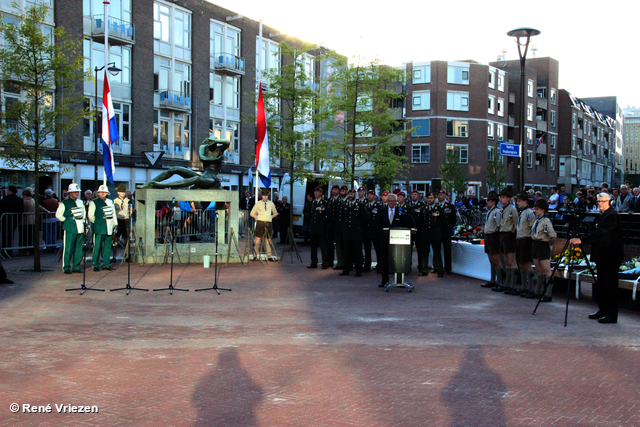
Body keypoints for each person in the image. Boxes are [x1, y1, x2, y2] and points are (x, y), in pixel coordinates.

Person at [570, 193, 624, 323]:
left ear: (609, 202)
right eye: (599, 201)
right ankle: (603, 310)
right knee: (602, 284)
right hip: (603, 255)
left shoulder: (612, 216)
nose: (600, 203)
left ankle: (611, 314)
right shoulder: (604, 215)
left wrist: (582, 240)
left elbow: (601, 234)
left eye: (602, 201)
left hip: (610, 256)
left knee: (610, 285)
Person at [377, 193, 408, 286]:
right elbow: (378, 225)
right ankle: (384, 280)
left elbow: (404, 225)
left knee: (398, 260)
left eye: (394, 201)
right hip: (384, 240)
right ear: (387, 201)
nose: (392, 203)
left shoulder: (400, 211)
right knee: (384, 260)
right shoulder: (382, 211)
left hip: (397, 240)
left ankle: (399, 280)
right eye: (390, 201)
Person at [55, 183, 86, 274]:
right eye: (74, 192)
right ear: (70, 193)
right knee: (68, 248)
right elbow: (58, 215)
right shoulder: (64, 203)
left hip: (80, 226)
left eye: (77, 192)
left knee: (78, 248)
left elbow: (83, 214)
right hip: (70, 228)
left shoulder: (80, 202)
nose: (77, 193)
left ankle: (76, 266)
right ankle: (66, 267)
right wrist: (67, 221)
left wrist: (85, 224)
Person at [531, 199, 557, 302]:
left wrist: (549, 245)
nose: (535, 211)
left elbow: (553, 236)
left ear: (543, 210)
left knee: (547, 271)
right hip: (536, 244)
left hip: (543, 244)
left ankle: (548, 293)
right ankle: (538, 291)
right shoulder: (538, 220)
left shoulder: (546, 221)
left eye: (537, 209)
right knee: (538, 269)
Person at [339, 189, 368, 277]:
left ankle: (358, 270)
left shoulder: (360, 205)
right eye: (349, 194)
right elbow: (343, 218)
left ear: (355, 195)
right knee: (346, 252)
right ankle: (346, 269)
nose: (350, 195)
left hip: (356, 232)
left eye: (352, 194)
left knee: (357, 252)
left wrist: (359, 227)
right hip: (347, 232)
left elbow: (366, 218)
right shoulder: (345, 205)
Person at [495, 190, 518, 294]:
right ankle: (507, 283)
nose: (501, 199)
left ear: (509, 198)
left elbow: (516, 224)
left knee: (511, 260)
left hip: (510, 235)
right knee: (506, 261)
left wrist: (513, 234)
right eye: (500, 197)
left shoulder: (512, 210)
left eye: (503, 197)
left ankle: (513, 285)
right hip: (502, 234)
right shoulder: (502, 210)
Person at [89, 185, 116, 271]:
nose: (103, 193)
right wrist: (97, 222)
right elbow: (90, 216)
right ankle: (95, 264)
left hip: (109, 226)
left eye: (104, 192)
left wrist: (115, 224)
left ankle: (106, 264)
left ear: (107, 193)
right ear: (98, 193)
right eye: (101, 192)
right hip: (99, 226)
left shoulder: (110, 202)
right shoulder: (94, 202)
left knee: (107, 246)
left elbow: (113, 213)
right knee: (97, 246)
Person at [515, 191, 537, 298]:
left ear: (525, 201)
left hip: (526, 240)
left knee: (527, 264)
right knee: (521, 264)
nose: (517, 203)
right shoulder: (521, 212)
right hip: (519, 239)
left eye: (519, 201)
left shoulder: (529, 213)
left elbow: (533, 227)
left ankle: (530, 288)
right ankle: (524, 286)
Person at [418, 192, 445, 278]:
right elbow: (420, 222)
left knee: (437, 253)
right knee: (424, 253)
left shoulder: (439, 209)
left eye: (431, 198)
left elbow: (443, 222)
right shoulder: (424, 209)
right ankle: (424, 270)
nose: (430, 199)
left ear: (435, 199)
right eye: (428, 198)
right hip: (425, 234)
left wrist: (440, 232)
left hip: (435, 234)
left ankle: (439, 270)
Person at [480, 191, 502, 289]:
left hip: (494, 236)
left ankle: (499, 281)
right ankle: (492, 280)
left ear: (494, 201)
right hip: (488, 236)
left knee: (496, 259)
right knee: (491, 260)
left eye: (489, 200)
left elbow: (499, 226)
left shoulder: (497, 212)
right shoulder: (490, 211)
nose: (487, 202)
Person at [250, 188, 278, 261]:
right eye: (263, 195)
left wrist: (269, 217)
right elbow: (252, 213)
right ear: (261, 196)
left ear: (268, 196)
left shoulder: (271, 203)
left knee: (268, 239)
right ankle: (255, 255)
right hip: (260, 222)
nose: (265, 197)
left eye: (266, 195)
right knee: (258, 238)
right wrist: (258, 217)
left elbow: (275, 213)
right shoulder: (258, 203)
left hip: (268, 223)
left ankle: (269, 255)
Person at [308, 186, 331, 269]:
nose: (316, 193)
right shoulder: (312, 203)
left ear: (321, 193)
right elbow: (309, 214)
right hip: (314, 227)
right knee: (313, 246)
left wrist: (324, 225)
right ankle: (313, 262)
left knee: (323, 246)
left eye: (318, 192)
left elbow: (328, 216)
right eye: (315, 192)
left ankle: (325, 263)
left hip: (321, 228)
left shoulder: (324, 203)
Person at [0, 185, 24, 257]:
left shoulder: (5, 198)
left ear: (10, 191)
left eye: (7, 190)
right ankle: (9, 250)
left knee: (5, 235)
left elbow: (1, 208)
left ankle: (4, 250)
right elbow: (21, 210)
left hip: (6, 219)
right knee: (11, 234)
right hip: (14, 219)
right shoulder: (19, 199)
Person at [437, 190, 456, 275]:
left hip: (447, 231)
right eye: (439, 194)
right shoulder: (436, 206)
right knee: (437, 250)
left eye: (442, 194)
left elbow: (453, 219)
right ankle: (438, 268)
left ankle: (448, 268)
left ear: (445, 196)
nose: (440, 196)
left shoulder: (450, 206)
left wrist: (450, 228)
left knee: (447, 250)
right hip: (438, 231)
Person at [363, 190, 382, 273]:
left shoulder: (378, 206)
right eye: (369, 195)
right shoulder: (365, 205)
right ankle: (367, 265)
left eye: (371, 195)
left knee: (378, 249)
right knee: (367, 249)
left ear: (374, 196)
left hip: (375, 231)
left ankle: (379, 266)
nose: (370, 196)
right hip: (366, 230)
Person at [113, 184, 131, 258]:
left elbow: (131, 209)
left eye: (124, 192)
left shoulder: (128, 201)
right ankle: (114, 256)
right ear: (118, 192)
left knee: (126, 238)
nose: (123, 193)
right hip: (118, 220)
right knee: (116, 238)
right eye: (121, 192)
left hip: (126, 220)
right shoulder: (115, 201)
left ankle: (127, 255)